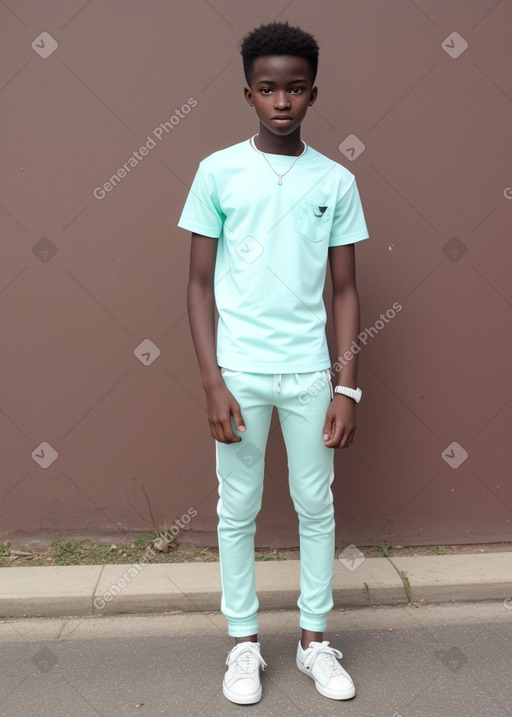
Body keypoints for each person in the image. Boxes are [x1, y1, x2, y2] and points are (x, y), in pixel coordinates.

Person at [178, 20, 369, 705]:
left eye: (294, 89)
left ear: (313, 93)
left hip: (311, 375)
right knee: (239, 507)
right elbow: (199, 286)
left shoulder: (336, 180)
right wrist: (211, 382)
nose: (281, 101)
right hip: (240, 373)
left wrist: (346, 385)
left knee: (316, 504)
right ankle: (244, 644)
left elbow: (345, 289)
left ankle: (315, 639)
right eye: (267, 89)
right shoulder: (218, 172)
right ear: (248, 94)